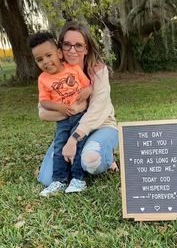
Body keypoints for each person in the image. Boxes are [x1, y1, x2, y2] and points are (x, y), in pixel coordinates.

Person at [37, 21, 118, 188]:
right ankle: (77, 156)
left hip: (101, 126)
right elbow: (43, 113)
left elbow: (96, 111)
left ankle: (106, 156)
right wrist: (76, 109)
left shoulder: (98, 71)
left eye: (79, 45)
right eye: (67, 44)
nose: (72, 50)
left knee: (90, 161)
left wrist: (73, 140)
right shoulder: (51, 74)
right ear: (59, 48)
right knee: (47, 179)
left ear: (86, 49)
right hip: (69, 128)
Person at [29, 31, 92, 196]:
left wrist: (87, 91)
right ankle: (59, 181)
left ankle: (78, 179)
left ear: (58, 53)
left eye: (49, 55)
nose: (46, 62)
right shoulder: (43, 79)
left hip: (81, 117)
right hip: (62, 121)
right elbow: (44, 102)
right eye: (39, 59)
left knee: (78, 145)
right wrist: (60, 108)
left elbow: (88, 86)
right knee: (59, 147)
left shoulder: (73, 70)